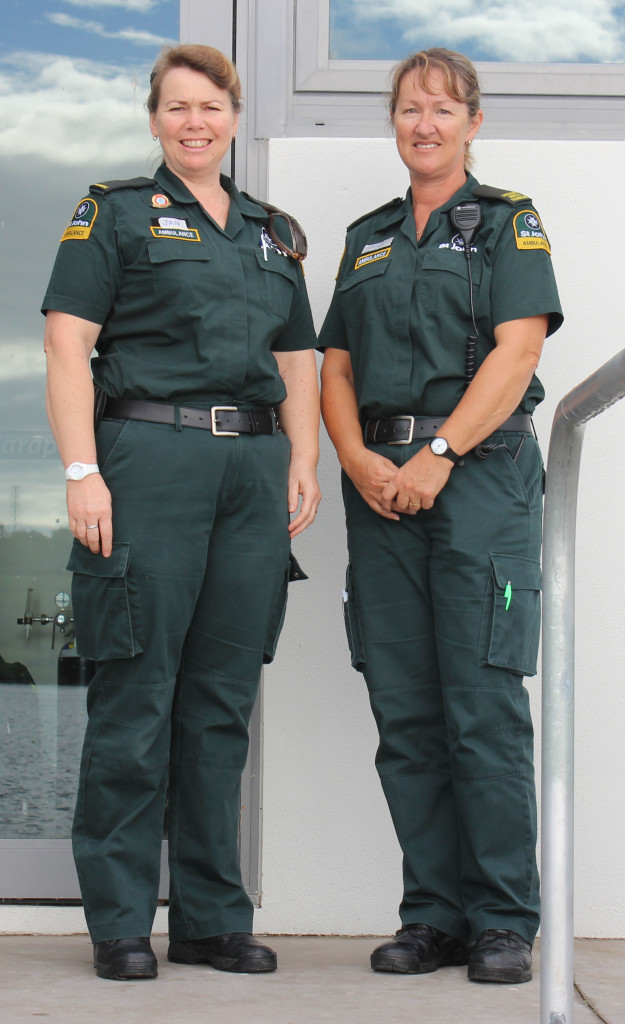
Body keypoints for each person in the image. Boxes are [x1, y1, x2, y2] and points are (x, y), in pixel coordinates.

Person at [42, 44, 320, 981]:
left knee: (219, 705)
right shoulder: (113, 212)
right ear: (155, 119)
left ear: (234, 115)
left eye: (210, 106)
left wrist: (303, 460)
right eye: (176, 108)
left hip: (251, 468)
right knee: (136, 695)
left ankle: (208, 919)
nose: (194, 122)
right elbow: (67, 345)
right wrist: (83, 469)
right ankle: (120, 920)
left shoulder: (273, 232)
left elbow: (294, 364)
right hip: (147, 461)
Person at [319, 47, 562, 984]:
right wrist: (356, 460)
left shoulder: (508, 223)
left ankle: (502, 920)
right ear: (394, 121)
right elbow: (334, 365)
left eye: (442, 109)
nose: (424, 123)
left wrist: (439, 456)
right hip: (379, 486)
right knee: (407, 712)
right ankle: (432, 916)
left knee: (483, 708)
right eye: (409, 109)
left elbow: (515, 353)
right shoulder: (368, 235)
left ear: (472, 122)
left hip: (479, 479)